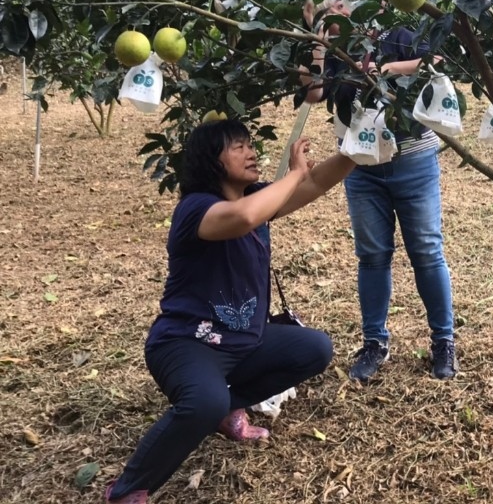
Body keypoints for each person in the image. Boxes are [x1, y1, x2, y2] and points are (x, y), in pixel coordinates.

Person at [105, 120, 355, 504]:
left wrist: (360, 145)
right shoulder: (195, 209)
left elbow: (315, 183)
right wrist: (293, 174)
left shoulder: (256, 199)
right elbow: (243, 217)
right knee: (204, 402)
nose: (251, 152)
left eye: (250, 145)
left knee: (315, 349)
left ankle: (228, 408)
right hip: (187, 342)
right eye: (238, 147)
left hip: (243, 341)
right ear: (210, 159)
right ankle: (128, 490)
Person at [301, 0, 457, 382]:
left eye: (337, 4)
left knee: (426, 251)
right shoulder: (333, 50)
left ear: (359, 5)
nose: (330, 11)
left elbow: (435, 61)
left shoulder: (396, 35)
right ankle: (374, 341)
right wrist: (317, 43)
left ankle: (443, 341)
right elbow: (313, 92)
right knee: (372, 256)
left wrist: (384, 69)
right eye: (323, 7)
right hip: (361, 166)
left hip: (413, 160)